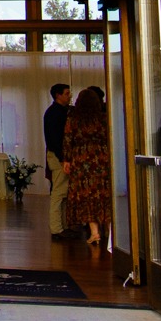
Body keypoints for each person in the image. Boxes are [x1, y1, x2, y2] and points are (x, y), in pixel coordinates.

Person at [64, 85, 114, 248]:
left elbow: (67, 140)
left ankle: (94, 233)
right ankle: (112, 234)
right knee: (104, 195)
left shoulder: (74, 119)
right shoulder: (103, 118)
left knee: (86, 196)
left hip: (81, 160)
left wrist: (67, 160)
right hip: (101, 159)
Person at [43, 83, 72, 238]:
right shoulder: (54, 113)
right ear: (58, 95)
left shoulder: (59, 111)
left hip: (59, 155)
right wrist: (63, 158)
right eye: (67, 93)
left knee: (63, 192)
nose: (70, 96)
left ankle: (63, 225)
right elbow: (55, 139)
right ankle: (56, 228)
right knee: (59, 193)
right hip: (58, 156)